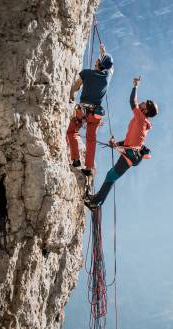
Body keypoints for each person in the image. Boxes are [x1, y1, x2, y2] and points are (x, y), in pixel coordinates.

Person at [84, 77, 159, 209]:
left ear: (146, 110)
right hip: (130, 154)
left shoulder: (141, 119)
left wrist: (135, 86)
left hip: (130, 155)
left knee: (111, 176)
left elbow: (132, 102)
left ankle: (96, 203)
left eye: (145, 104)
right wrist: (116, 144)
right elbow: (130, 141)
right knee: (111, 175)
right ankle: (96, 199)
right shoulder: (141, 121)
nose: (142, 102)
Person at [67, 43, 113, 176]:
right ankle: (88, 167)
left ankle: (75, 159)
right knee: (91, 140)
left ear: (98, 63)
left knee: (72, 131)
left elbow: (76, 87)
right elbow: (110, 68)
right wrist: (103, 52)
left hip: (82, 111)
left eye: (98, 60)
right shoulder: (107, 78)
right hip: (95, 115)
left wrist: (71, 95)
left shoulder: (86, 73)